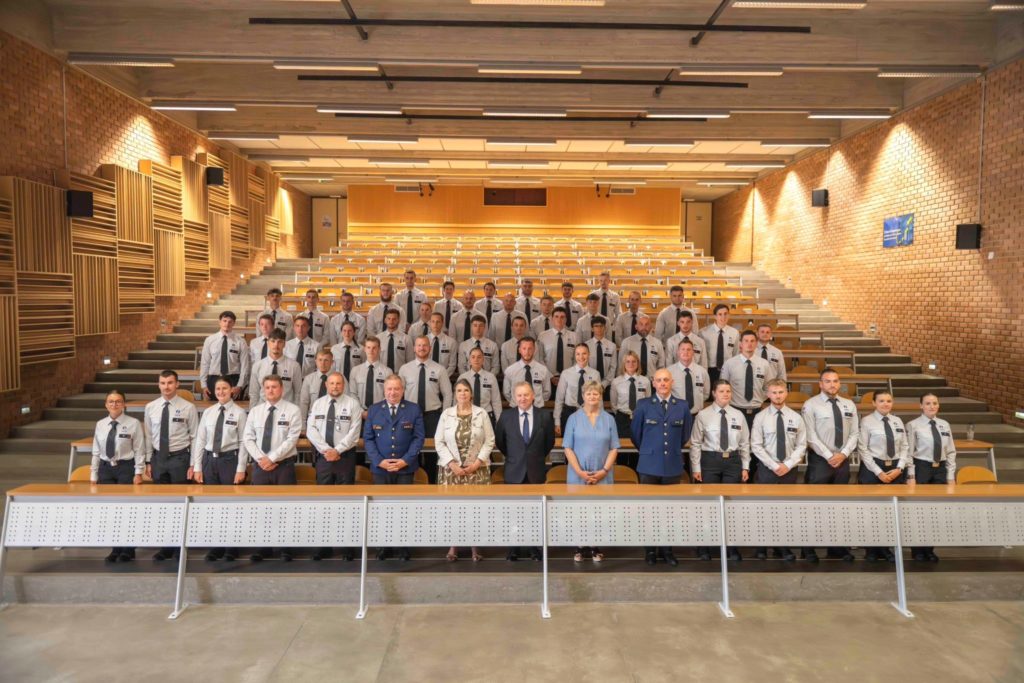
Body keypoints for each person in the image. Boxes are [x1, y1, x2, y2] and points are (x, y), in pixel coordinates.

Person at [631, 368, 692, 566]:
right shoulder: (643, 405)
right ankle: (650, 550)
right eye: (659, 380)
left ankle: (667, 550)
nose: (663, 383)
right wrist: (649, 451)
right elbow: (636, 435)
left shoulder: (682, 406)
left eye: (666, 380)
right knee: (648, 511)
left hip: (672, 464)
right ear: (653, 383)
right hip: (648, 465)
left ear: (672, 382)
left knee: (670, 511)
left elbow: (684, 435)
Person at [364, 375, 425, 561]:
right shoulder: (374, 410)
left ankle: (402, 546)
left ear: (403, 390)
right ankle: (383, 546)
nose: (393, 392)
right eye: (389, 389)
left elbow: (418, 438)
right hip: (380, 469)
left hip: (405, 468)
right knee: (381, 509)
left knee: (403, 509)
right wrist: (378, 461)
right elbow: (368, 438)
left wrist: (405, 460)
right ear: (384, 390)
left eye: (396, 389)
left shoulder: (413, 409)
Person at [801, 367, 859, 563]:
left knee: (839, 506)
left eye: (835, 381)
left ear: (839, 383)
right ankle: (808, 548)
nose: (832, 384)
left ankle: (836, 547)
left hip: (842, 460)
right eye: (827, 381)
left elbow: (855, 433)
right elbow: (810, 435)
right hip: (820, 461)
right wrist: (828, 455)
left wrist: (843, 454)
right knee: (814, 506)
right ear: (820, 384)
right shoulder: (811, 405)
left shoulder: (849, 404)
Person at [243, 374, 302, 562]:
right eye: (267, 387)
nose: (270, 390)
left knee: (286, 508)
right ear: (263, 390)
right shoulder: (255, 411)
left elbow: (292, 439)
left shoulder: (293, 410)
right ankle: (263, 547)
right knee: (261, 508)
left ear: (281, 389)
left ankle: (286, 547)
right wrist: (262, 459)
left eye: (274, 387)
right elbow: (248, 438)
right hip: (260, 467)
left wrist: (272, 458)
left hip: (284, 466)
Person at [690, 379, 750, 562]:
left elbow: (744, 443)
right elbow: (695, 443)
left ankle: (731, 547)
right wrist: (696, 467)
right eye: (721, 391)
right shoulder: (703, 415)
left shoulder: (738, 415)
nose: (725, 394)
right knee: (709, 505)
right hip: (710, 461)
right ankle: (704, 546)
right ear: (714, 393)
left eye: (728, 391)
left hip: (732, 461)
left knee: (730, 506)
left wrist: (745, 466)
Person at [435, 379, 494, 562]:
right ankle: (453, 546)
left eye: (466, 390)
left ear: (471, 394)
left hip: (477, 470)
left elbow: (489, 441)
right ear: (455, 393)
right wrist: (452, 464)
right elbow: (439, 442)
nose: (462, 393)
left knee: (475, 510)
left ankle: (475, 546)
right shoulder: (446, 414)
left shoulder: (482, 413)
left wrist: (476, 464)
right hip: (451, 471)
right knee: (453, 510)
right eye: (459, 390)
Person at [495, 381, 555, 561]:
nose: (523, 398)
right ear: (515, 397)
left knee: (534, 513)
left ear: (533, 396)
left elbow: (549, 442)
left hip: (536, 472)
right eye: (519, 395)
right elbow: (500, 442)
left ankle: (533, 547)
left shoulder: (544, 416)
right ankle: (513, 547)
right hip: (514, 472)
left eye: (526, 395)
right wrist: (515, 458)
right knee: (513, 512)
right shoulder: (506, 416)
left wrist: (534, 458)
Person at [306, 371, 363, 561]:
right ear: (326, 385)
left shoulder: (352, 404)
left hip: (345, 458)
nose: (335, 386)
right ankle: (324, 546)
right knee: (324, 504)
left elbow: (354, 433)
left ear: (343, 385)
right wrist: (326, 450)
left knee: (347, 504)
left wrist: (337, 450)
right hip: (324, 459)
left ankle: (347, 546)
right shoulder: (318, 404)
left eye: (338, 383)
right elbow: (311, 430)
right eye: (332, 383)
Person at [144, 370, 198, 561]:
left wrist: (193, 464)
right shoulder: (151, 407)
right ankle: (166, 545)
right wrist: (148, 461)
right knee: (164, 505)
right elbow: (149, 436)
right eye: (163, 383)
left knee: (180, 504)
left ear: (177, 384)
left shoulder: (188, 407)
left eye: (170, 383)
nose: (166, 387)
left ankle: (180, 547)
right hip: (159, 460)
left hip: (179, 459)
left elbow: (195, 437)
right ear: (158, 385)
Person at [192, 376, 247, 562]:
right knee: (213, 506)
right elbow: (200, 440)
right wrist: (198, 466)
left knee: (231, 506)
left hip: (229, 461)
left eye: (224, 388)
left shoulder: (239, 413)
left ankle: (232, 546)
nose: (221, 392)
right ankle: (216, 545)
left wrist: (241, 468)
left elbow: (243, 442)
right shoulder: (208, 412)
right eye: (218, 389)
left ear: (231, 390)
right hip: (210, 461)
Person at [563, 380, 620, 563]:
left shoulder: (609, 419)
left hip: (602, 474)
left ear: (600, 396)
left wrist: (604, 470)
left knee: (598, 512)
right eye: (589, 393)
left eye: (596, 393)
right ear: (583, 396)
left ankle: (596, 546)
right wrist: (579, 472)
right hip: (578, 474)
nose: (592, 396)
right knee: (579, 512)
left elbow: (614, 448)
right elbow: (567, 448)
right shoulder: (573, 418)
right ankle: (579, 546)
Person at [750, 379, 806, 561]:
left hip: (789, 470)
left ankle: (782, 547)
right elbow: (756, 445)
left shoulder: (796, 418)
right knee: (763, 509)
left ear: (786, 393)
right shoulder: (761, 417)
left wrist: (787, 465)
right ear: (768, 395)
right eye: (774, 392)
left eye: (781, 392)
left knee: (785, 510)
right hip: (767, 469)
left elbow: (801, 445)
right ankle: (761, 547)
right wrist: (774, 465)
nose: (778, 396)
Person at [91, 389, 144, 563]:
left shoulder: (133, 423)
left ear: (124, 404)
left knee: (127, 510)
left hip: (125, 468)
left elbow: (139, 449)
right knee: (112, 510)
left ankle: (129, 549)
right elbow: (96, 451)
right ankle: (115, 548)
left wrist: (138, 472)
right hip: (106, 469)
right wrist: (94, 474)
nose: (114, 404)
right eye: (111, 401)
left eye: (118, 401)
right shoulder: (100, 424)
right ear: (106, 404)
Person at [858, 389, 910, 562]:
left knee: (890, 513)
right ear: (874, 403)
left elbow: (905, 447)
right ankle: (871, 550)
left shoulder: (897, 421)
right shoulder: (866, 421)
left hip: (895, 469)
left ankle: (887, 549)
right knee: (872, 512)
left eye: (889, 401)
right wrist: (878, 472)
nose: (885, 404)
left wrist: (900, 468)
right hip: (873, 469)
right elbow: (863, 449)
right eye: (881, 401)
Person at [906, 393, 957, 562]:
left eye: (935, 403)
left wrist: (950, 474)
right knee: (918, 511)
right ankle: (917, 549)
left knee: (934, 511)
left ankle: (929, 549)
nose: (931, 406)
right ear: (921, 406)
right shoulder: (913, 425)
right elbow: (909, 452)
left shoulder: (944, 424)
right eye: (927, 403)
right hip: (922, 468)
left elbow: (950, 451)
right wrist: (911, 474)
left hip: (940, 469)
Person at [399, 336, 453, 480]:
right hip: (410, 417)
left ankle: (432, 484)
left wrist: (445, 416)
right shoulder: (405, 369)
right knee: (410, 450)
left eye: (425, 345)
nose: (422, 348)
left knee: (432, 453)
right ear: (414, 348)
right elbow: (398, 393)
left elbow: (448, 394)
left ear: (430, 348)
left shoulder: (440, 369)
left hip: (432, 417)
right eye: (419, 345)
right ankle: (413, 482)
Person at [610, 351, 651, 467]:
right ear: (623, 364)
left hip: (640, 419)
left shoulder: (645, 381)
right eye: (627, 361)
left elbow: (648, 402)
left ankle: (636, 474)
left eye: (634, 361)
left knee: (637, 451)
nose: (631, 364)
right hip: (622, 419)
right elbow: (614, 404)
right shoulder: (616, 382)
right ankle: (623, 475)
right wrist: (624, 414)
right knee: (622, 451)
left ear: (638, 363)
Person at [199, 310, 250, 399]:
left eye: (230, 321)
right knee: (214, 407)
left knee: (233, 406)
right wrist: (203, 385)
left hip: (233, 379)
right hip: (214, 379)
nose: (227, 324)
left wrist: (240, 385)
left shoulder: (241, 341)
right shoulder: (210, 340)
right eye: (224, 321)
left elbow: (245, 366)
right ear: (220, 322)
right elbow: (205, 363)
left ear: (234, 323)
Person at [554, 344, 601, 435]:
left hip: (589, 413)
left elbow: (599, 400)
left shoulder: (595, 374)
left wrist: (599, 419)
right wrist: (557, 422)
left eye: (584, 353)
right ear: (574, 355)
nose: (581, 357)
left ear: (589, 354)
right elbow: (559, 399)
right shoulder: (566, 373)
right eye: (578, 354)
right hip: (569, 413)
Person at [249, 329, 302, 405]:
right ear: (268, 343)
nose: (276, 345)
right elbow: (254, 394)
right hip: (263, 407)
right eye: (273, 341)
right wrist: (254, 411)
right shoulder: (257, 366)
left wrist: (295, 410)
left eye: (280, 342)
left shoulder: (294, 366)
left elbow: (298, 393)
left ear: (284, 344)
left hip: (286, 408)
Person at [502, 336, 551, 409]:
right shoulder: (510, 370)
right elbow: (507, 393)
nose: (527, 352)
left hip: (537, 409)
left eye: (530, 348)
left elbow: (547, 392)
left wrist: (537, 403)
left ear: (534, 350)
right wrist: (518, 403)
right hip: (517, 409)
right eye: (524, 348)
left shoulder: (543, 370)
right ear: (519, 350)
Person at [459, 347, 502, 426]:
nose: (476, 359)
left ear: (483, 360)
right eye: (473, 357)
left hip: (486, 414)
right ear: (469, 360)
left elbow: (496, 401)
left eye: (479, 357)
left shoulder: (491, 377)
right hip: (467, 414)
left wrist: (499, 421)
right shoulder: (462, 378)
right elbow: (457, 401)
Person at [667, 339, 710, 415]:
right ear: (678, 352)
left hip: (697, 415)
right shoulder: (669, 372)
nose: (686, 352)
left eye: (689, 349)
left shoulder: (702, 371)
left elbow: (706, 394)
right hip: (676, 414)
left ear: (693, 352)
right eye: (683, 349)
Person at [700, 304, 739, 384]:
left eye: (725, 314)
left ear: (729, 315)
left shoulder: (734, 333)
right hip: (710, 370)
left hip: (727, 370)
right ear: (715, 316)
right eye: (720, 314)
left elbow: (736, 354)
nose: (723, 317)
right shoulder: (703, 332)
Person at [538, 307, 577, 384]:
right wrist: (550, 376)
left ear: (566, 319)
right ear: (552, 319)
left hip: (569, 379)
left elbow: (576, 359)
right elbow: (540, 359)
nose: (559, 319)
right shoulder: (542, 336)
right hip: (548, 379)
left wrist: (570, 375)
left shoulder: (574, 337)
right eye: (556, 316)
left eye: (562, 317)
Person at [618, 314, 664, 379]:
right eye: (641, 324)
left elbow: (661, 366)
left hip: (652, 381)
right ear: (636, 326)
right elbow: (621, 365)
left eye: (647, 324)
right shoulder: (626, 342)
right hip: (632, 381)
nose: (644, 327)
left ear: (651, 327)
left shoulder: (658, 343)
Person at [299, 349, 336, 422]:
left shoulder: (339, 379)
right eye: (320, 360)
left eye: (326, 360)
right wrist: (303, 423)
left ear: (332, 362)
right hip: (312, 419)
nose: (322, 363)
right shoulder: (308, 379)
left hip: (332, 420)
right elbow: (304, 402)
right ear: (315, 361)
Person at [585, 316, 617, 391]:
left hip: (607, 385)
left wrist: (604, 384)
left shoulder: (612, 346)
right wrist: (592, 383)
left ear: (605, 328)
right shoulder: (586, 346)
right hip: (589, 384)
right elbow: (585, 366)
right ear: (592, 329)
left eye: (601, 326)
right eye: (596, 326)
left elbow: (613, 367)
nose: (599, 328)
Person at [426, 312, 458, 378]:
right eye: (433, 321)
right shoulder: (423, 341)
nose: (435, 324)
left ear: (442, 323)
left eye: (438, 322)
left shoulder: (451, 342)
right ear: (429, 323)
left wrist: (442, 377)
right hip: (426, 376)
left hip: (444, 377)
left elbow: (452, 365)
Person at [378, 308, 410, 372]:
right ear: (385, 320)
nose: (391, 321)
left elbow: (410, 360)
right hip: (382, 373)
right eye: (389, 318)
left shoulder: (406, 338)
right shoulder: (378, 338)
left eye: (394, 319)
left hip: (400, 374)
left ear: (398, 320)